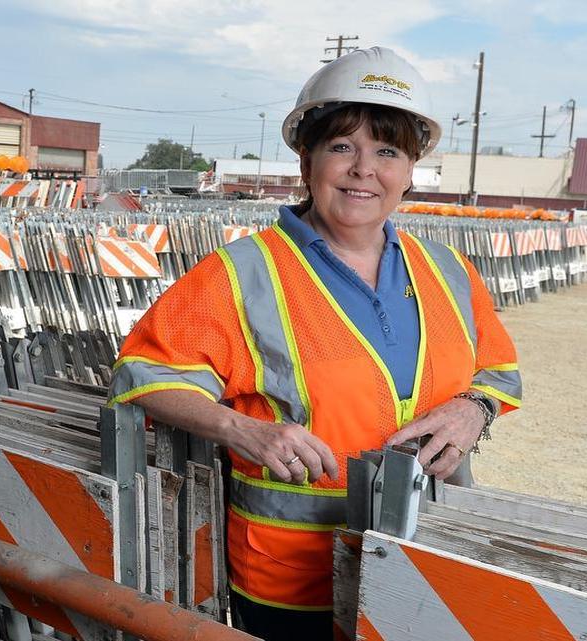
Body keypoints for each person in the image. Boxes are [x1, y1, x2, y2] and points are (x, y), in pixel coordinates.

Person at [108, 47, 521, 641]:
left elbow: (497, 373)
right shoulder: (243, 273)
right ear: (307, 161)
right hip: (289, 580)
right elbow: (143, 375)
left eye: (387, 151)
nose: (364, 169)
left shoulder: (449, 271)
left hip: (426, 559)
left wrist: (473, 409)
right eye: (342, 147)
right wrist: (243, 430)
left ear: (410, 170)